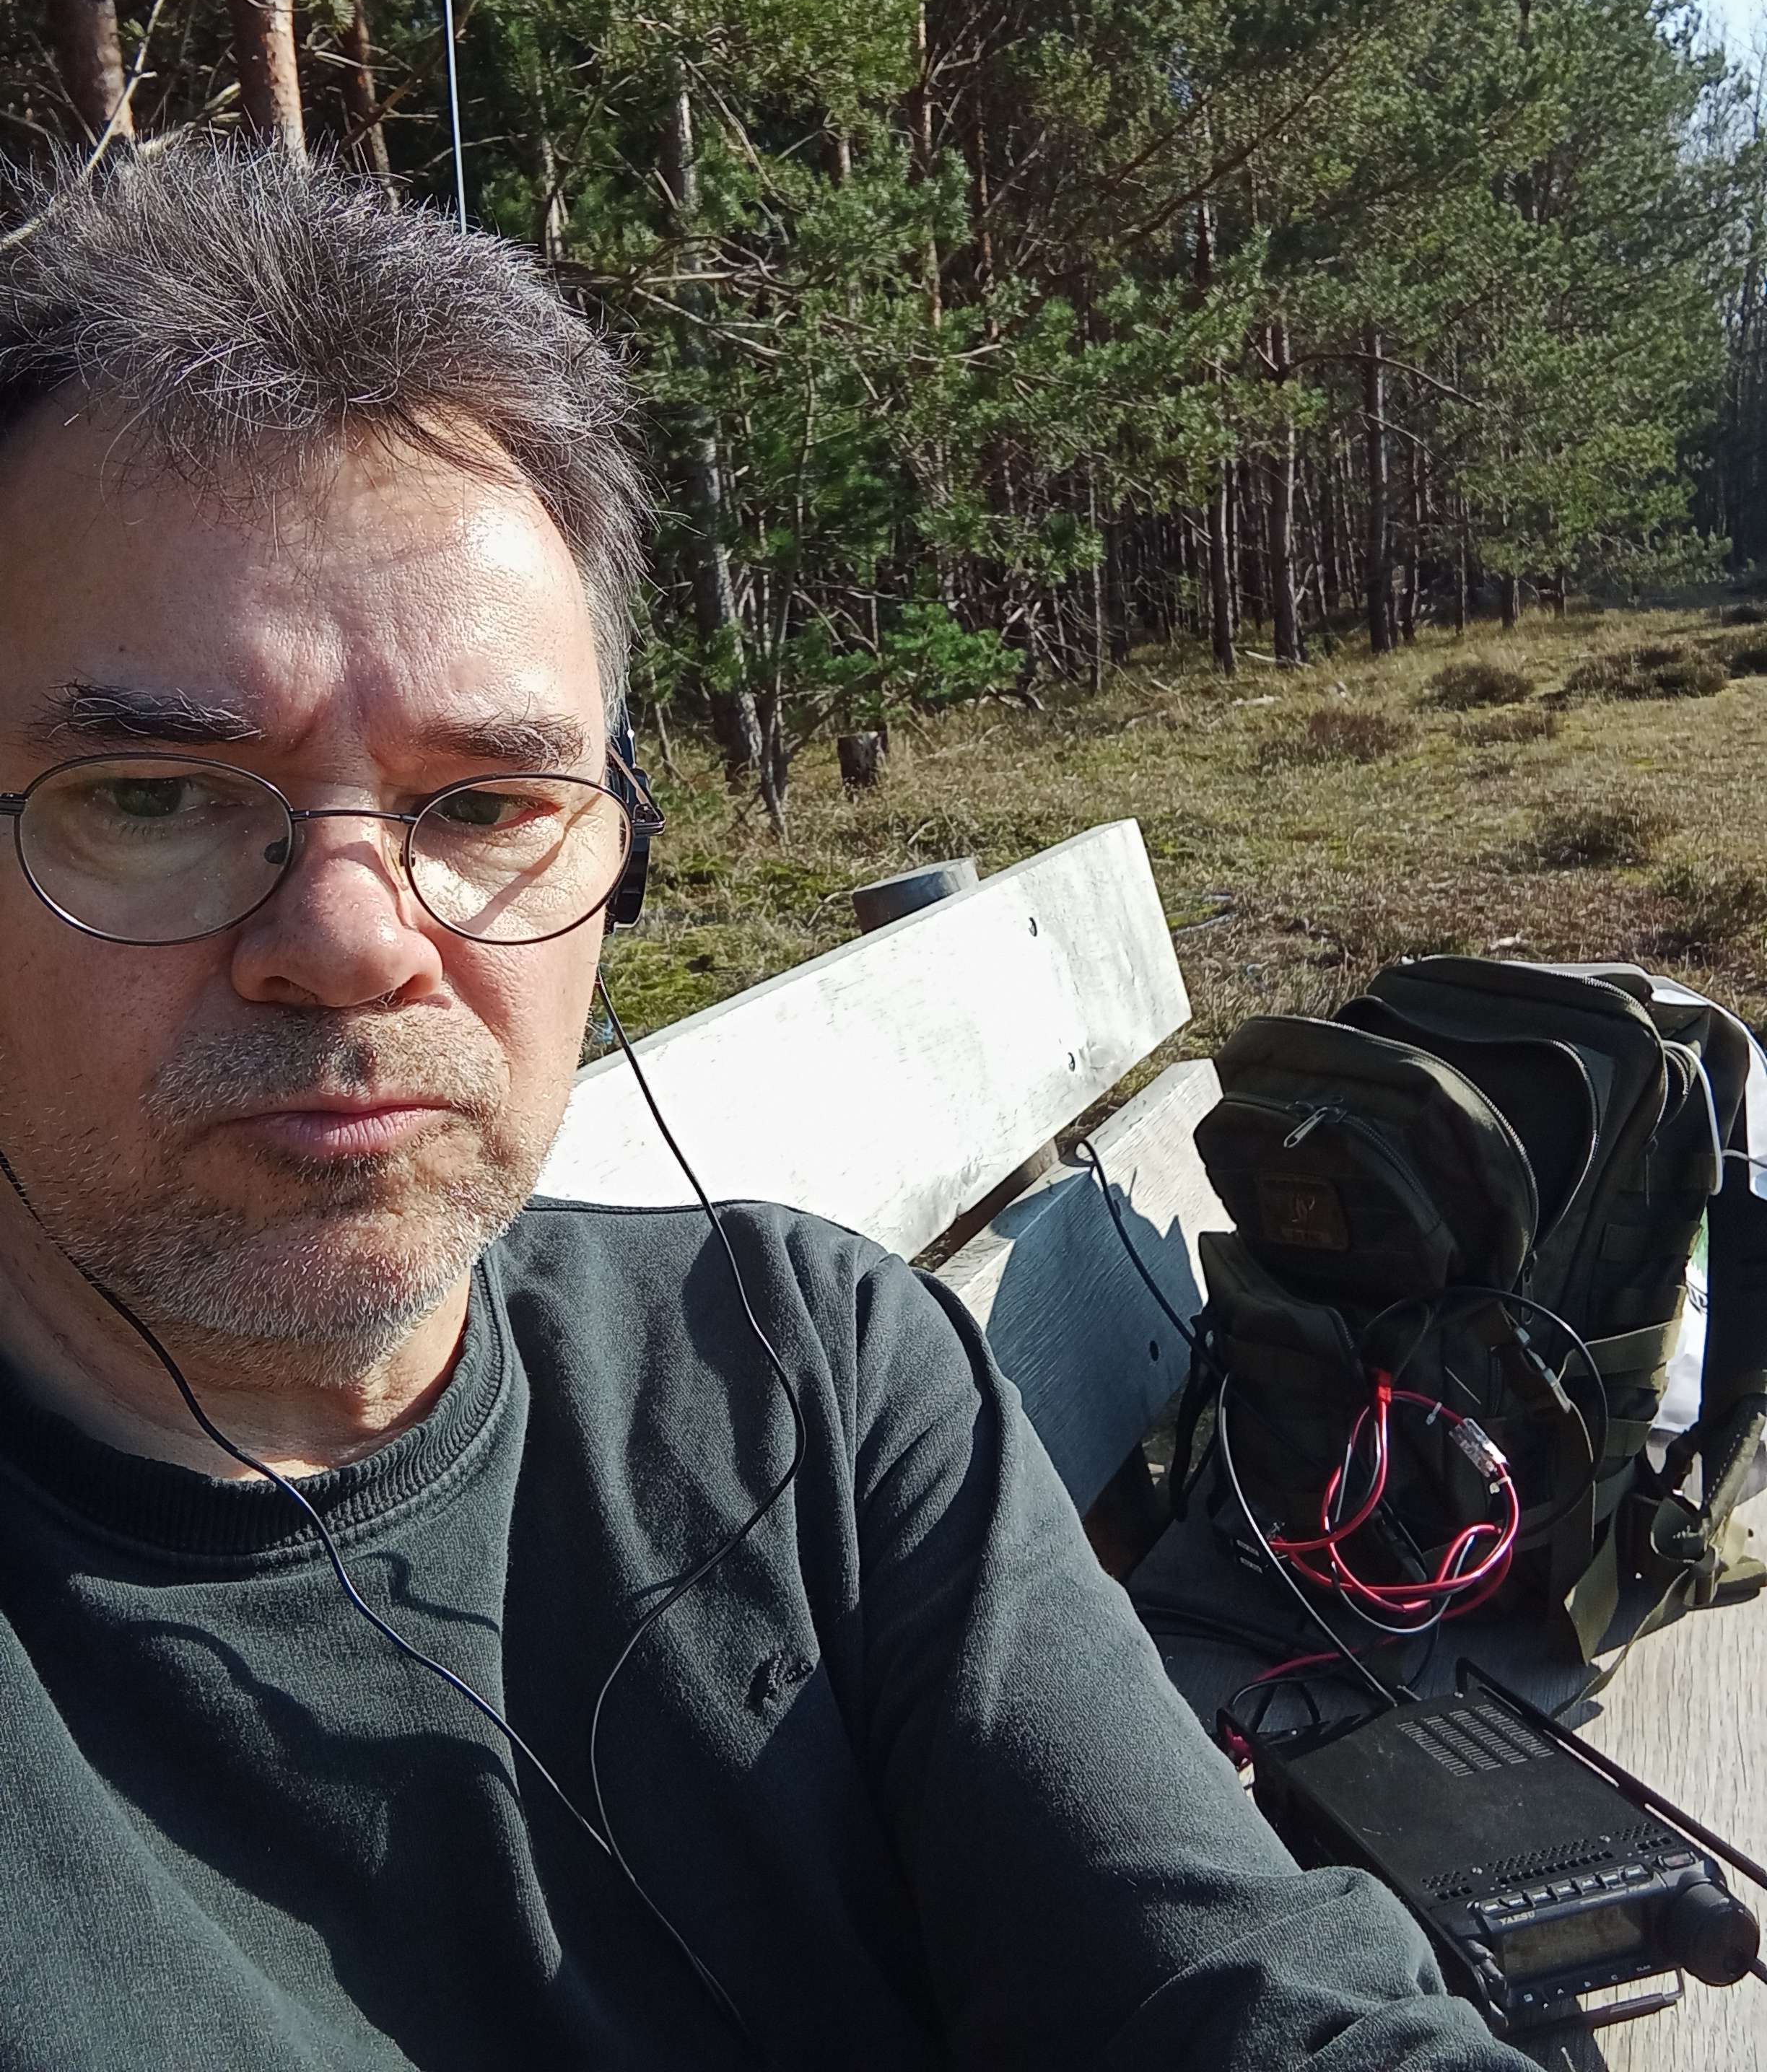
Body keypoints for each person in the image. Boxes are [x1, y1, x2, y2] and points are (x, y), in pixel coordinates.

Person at [0, 143, 1530, 2070]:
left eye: (486, 803)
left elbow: (1250, 2000)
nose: (356, 941)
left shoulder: (806, 1372)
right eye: (152, 796)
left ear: (618, 857)